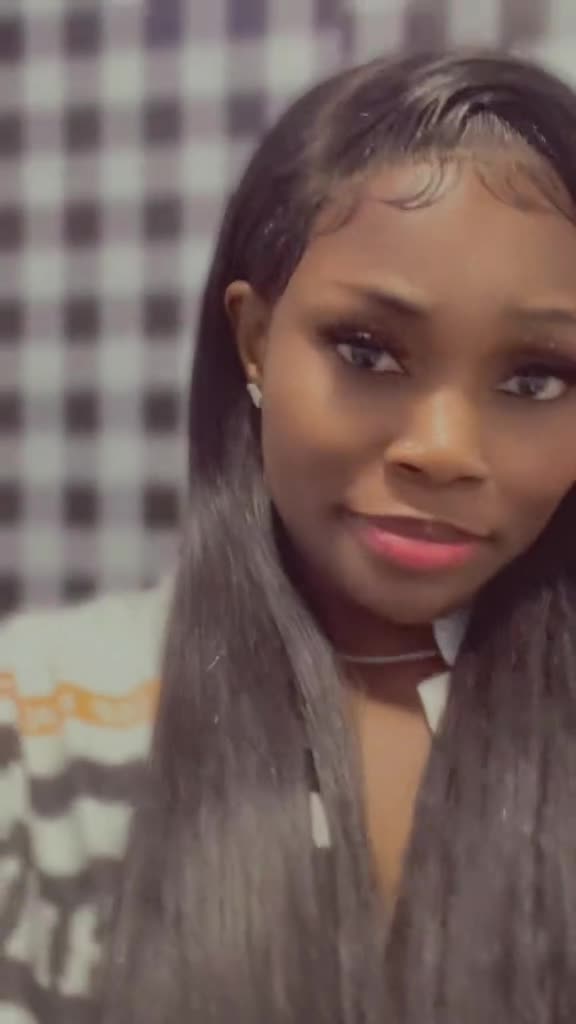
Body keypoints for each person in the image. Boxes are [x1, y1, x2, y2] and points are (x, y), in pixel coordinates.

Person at [2, 48, 576, 1024]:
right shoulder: (45, 730)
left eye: (534, 379)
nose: (443, 450)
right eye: (368, 352)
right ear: (257, 341)